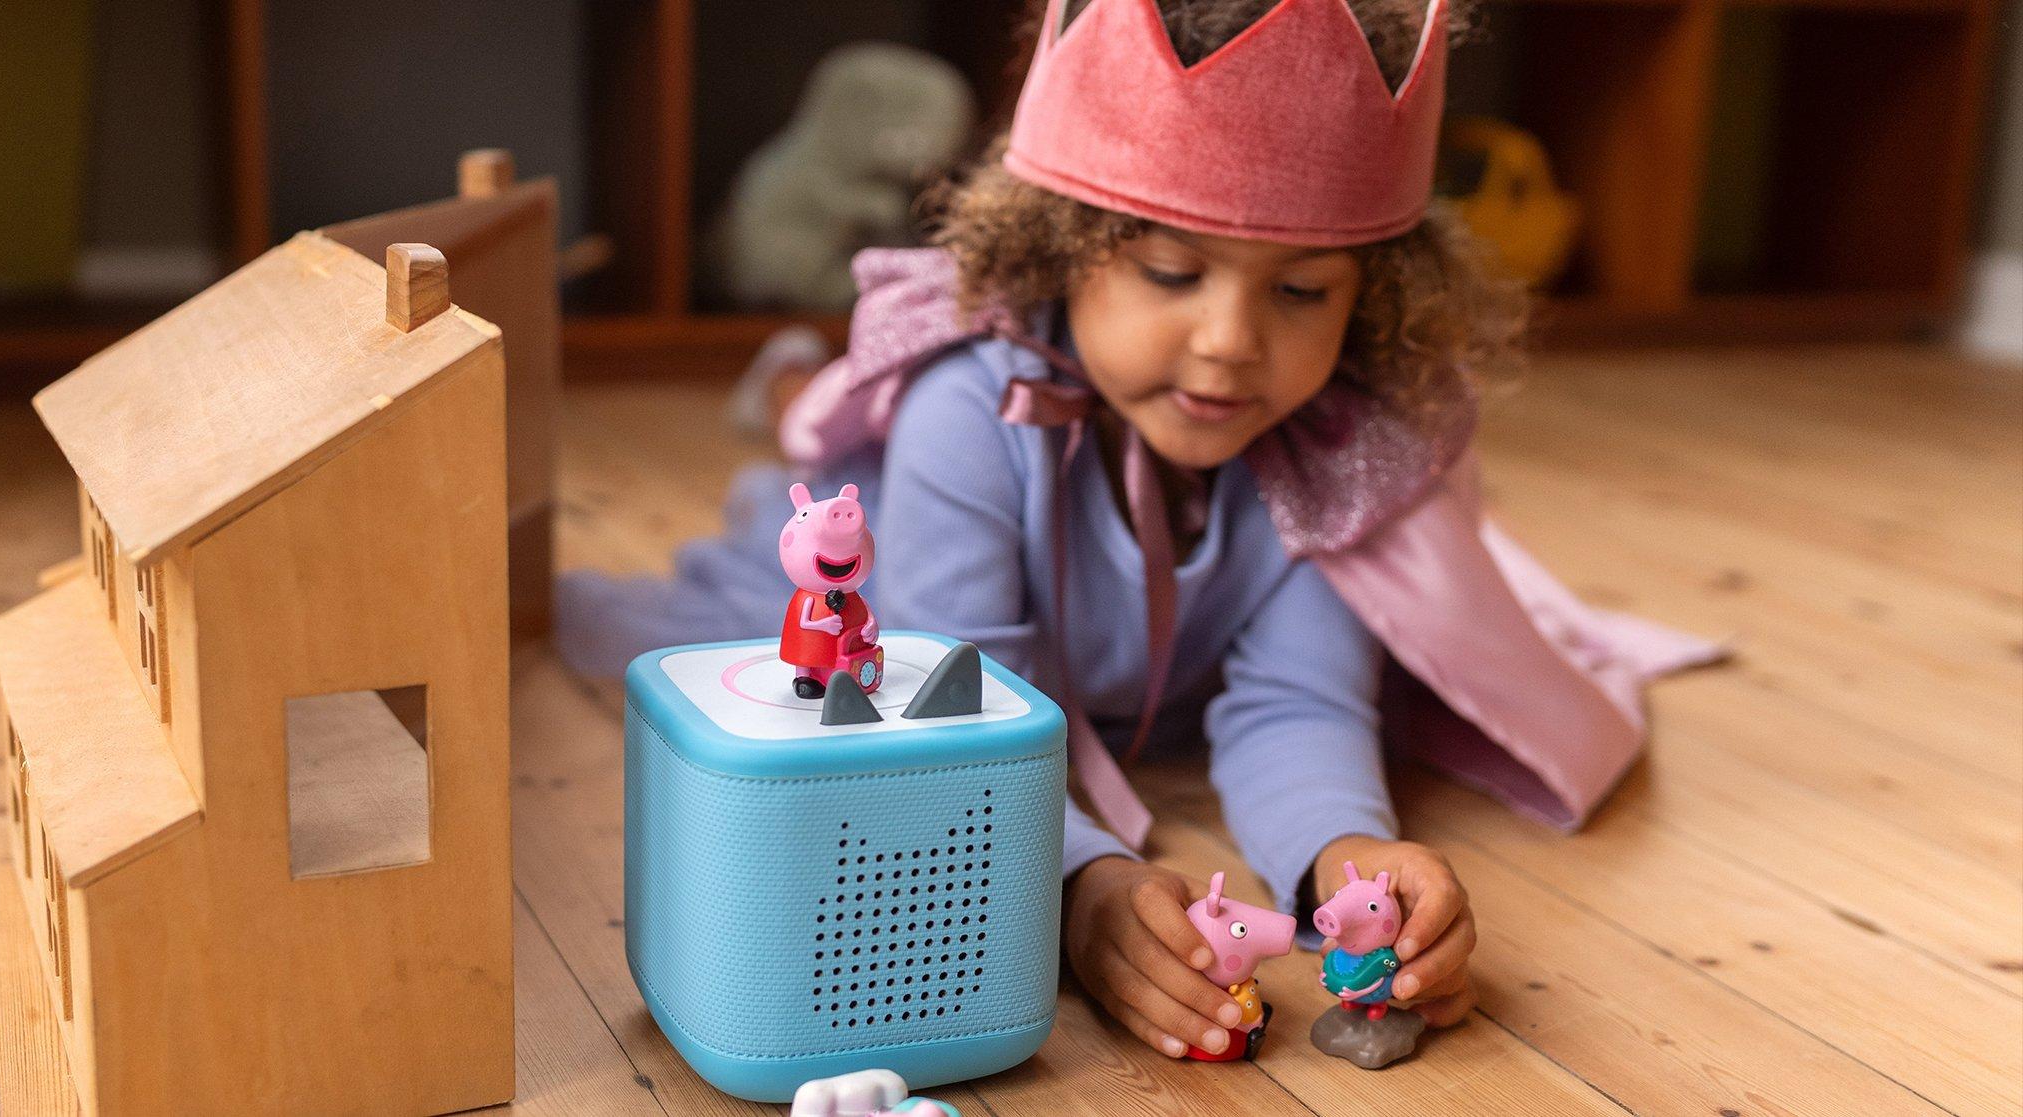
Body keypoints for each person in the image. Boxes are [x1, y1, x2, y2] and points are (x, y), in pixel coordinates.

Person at [558, 0, 1719, 1061]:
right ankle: (788, 379)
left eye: (1303, 292)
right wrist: (1077, 883)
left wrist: (1349, 862)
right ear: (1057, 245)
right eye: (1171, 271)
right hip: (929, 557)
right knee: (806, 495)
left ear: (1373, 293)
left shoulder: (1332, 443)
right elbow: (957, 706)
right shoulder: (972, 413)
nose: (1229, 341)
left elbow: (1297, 705)